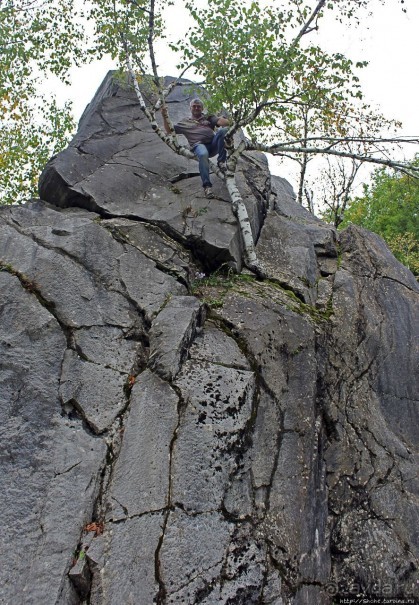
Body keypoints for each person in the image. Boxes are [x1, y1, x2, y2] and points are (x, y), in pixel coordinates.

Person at [162, 97, 230, 198]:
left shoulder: (208, 117)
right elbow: (169, 130)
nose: (196, 108)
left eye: (199, 106)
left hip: (212, 144)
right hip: (198, 145)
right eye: (194, 106)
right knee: (203, 154)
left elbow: (222, 123)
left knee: (223, 131)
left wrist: (225, 119)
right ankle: (207, 186)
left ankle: (221, 162)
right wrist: (164, 116)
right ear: (190, 108)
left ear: (202, 108)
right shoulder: (185, 122)